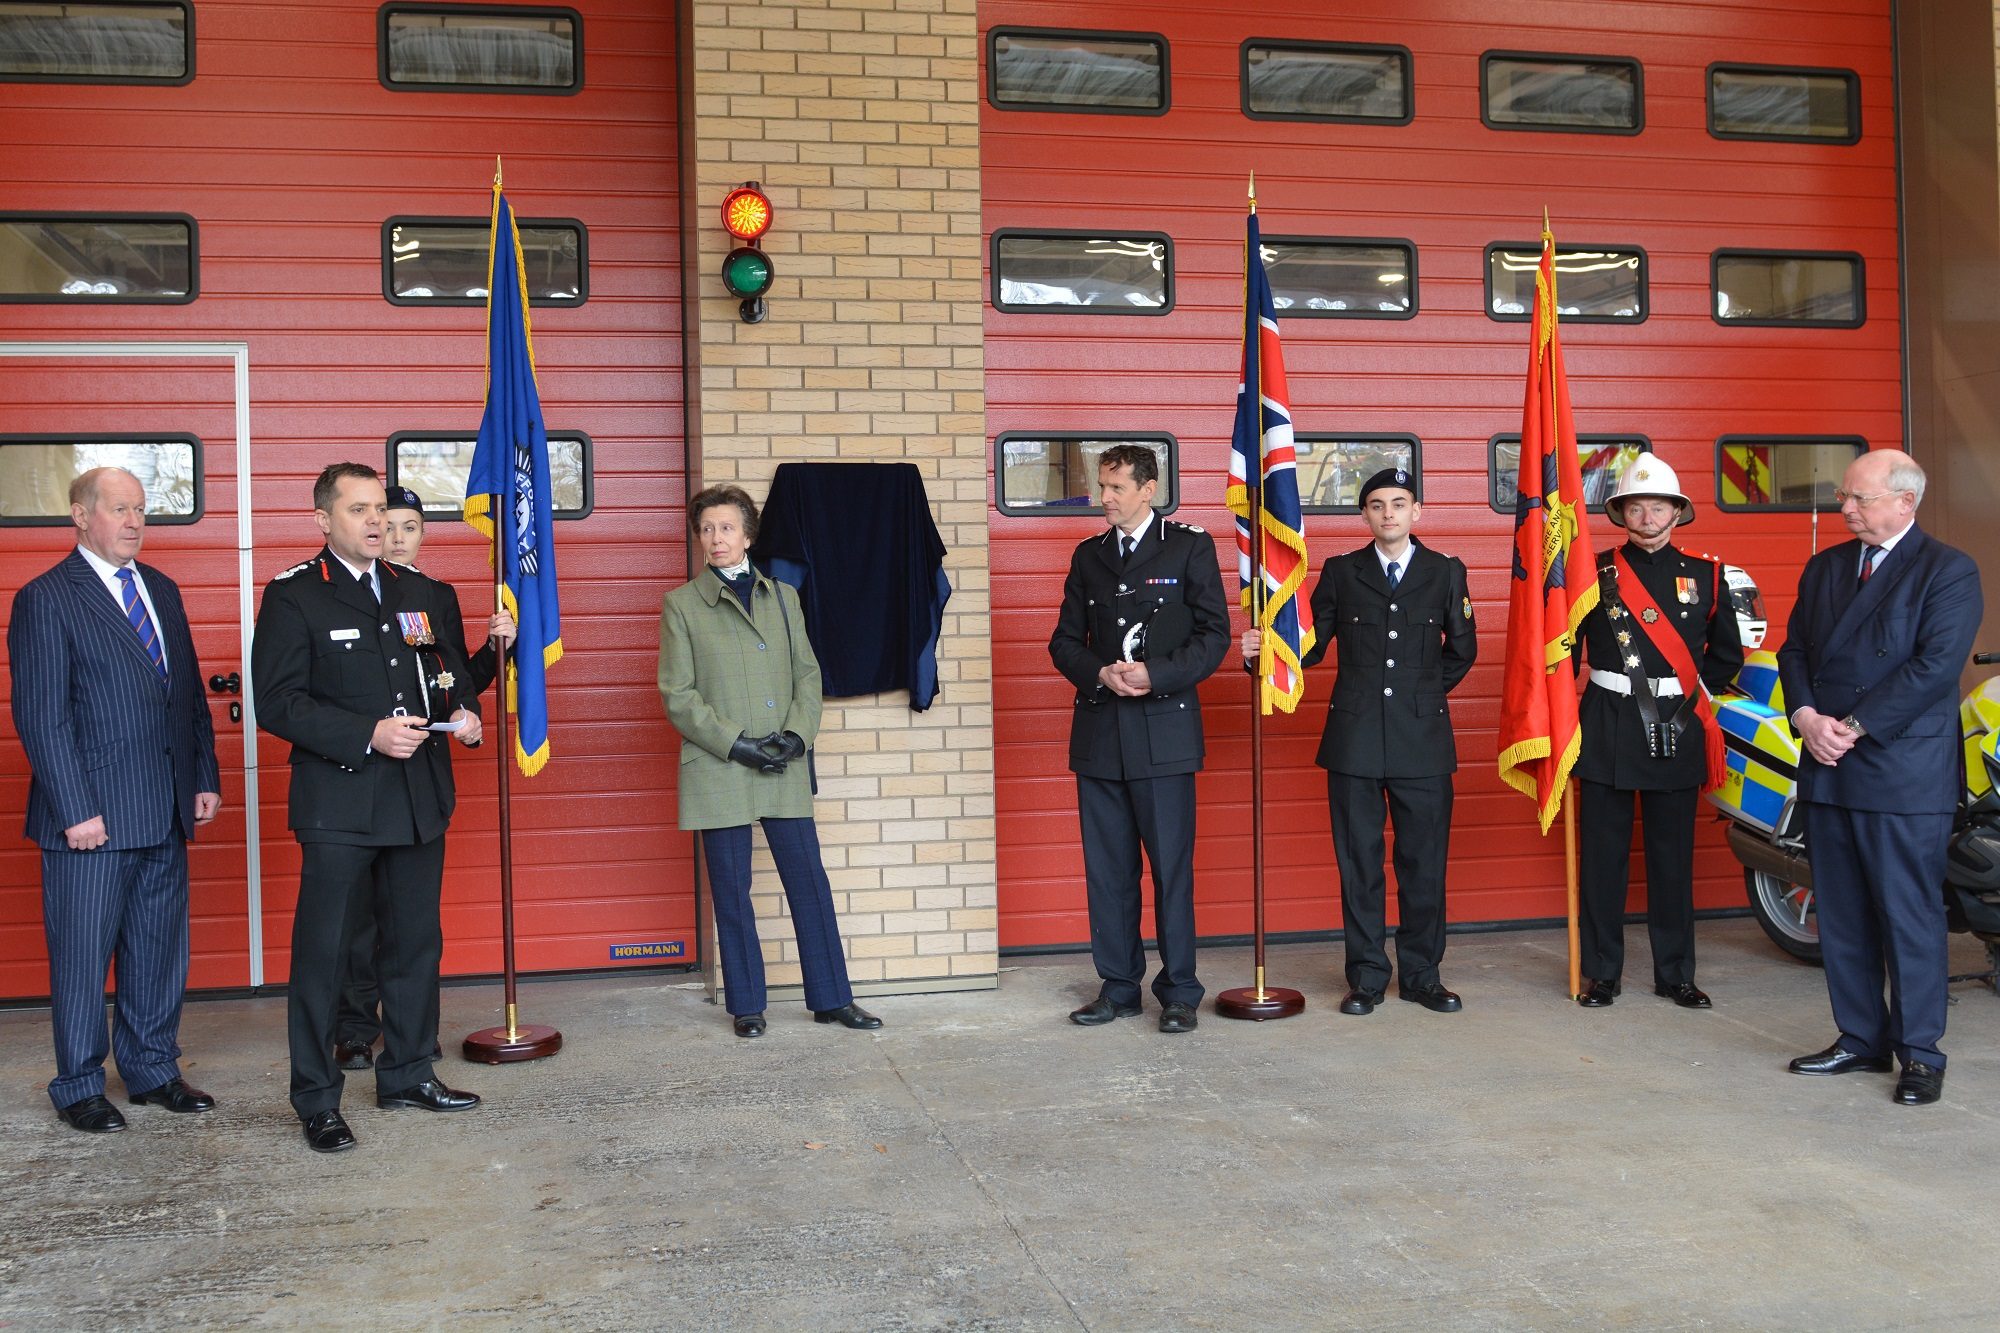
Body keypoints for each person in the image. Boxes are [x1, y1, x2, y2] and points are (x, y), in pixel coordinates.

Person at [252, 463, 485, 1153]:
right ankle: (318, 1098)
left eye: (379, 508)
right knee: (324, 956)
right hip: (340, 803)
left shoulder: (424, 592)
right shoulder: (296, 596)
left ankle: (409, 1072)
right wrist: (367, 733)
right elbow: (280, 701)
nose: (376, 521)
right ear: (324, 520)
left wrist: (465, 712)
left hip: (417, 801)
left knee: (414, 945)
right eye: (358, 510)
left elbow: (447, 677)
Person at [7, 467, 222, 1134]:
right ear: (79, 514)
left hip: (162, 809)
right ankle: (78, 1084)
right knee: (81, 954)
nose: (134, 521)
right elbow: (43, 716)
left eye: (140, 509)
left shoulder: (160, 588)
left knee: (158, 949)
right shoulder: (47, 598)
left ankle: (154, 1069)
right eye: (119, 508)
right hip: (91, 818)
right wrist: (74, 808)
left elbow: (185, 693)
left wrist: (204, 775)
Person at [1778, 449, 1982, 1106]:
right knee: (1841, 913)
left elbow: (1934, 667)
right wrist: (1808, 716)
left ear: (1904, 501)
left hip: (1900, 768)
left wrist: (1854, 725)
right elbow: (1796, 650)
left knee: (1908, 914)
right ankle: (1859, 1037)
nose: (1845, 509)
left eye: (1859, 499)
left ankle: (1920, 1051)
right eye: (1845, 497)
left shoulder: (1948, 570)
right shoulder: (1825, 567)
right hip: (1829, 762)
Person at [1244, 468, 1476, 1015]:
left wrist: (1416, 698)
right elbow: (1313, 644)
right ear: (1364, 516)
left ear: (1416, 511)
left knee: (1424, 864)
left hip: (1422, 741)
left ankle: (1422, 975)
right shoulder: (1342, 572)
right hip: (1355, 741)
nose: (1388, 513)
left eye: (1399, 503)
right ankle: (1367, 976)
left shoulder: (1445, 572)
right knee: (1359, 865)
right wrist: (1267, 651)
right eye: (1376, 505)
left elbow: (1462, 651)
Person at [656, 484, 881, 1038]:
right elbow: (678, 694)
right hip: (720, 763)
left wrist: (797, 738)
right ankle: (747, 1004)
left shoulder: (784, 596)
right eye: (706, 529)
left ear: (748, 535)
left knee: (809, 882)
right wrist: (736, 744)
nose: (716, 538)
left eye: (727, 527)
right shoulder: (682, 604)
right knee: (732, 892)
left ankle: (832, 998)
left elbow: (808, 674)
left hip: (781, 761)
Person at [332, 485, 514, 1072]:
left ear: (423, 535)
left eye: (411, 526)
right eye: (389, 523)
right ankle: (357, 1028)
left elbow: (452, 679)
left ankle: (413, 1034)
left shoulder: (432, 596)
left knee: (412, 924)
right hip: (359, 777)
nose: (398, 534)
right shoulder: (337, 592)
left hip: (420, 777)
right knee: (357, 921)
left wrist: (496, 649)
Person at [1048, 445, 1229, 1033]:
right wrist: (1098, 672)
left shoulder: (1188, 545)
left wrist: (1159, 674)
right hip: (1101, 735)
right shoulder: (1089, 556)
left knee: (1171, 869)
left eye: (1116, 488)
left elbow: (1213, 636)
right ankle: (1119, 986)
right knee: (1108, 871)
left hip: (1165, 734)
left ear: (1148, 489)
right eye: (1103, 487)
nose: (1104, 498)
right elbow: (1064, 641)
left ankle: (1179, 992)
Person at [1573, 457, 1743, 1010]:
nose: (1648, 516)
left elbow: (1725, 657)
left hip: (1675, 725)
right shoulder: (1591, 573)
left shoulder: (1708, 575)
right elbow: (1561, 651)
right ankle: (1602, 974)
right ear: (1622, 512)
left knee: (1672, 861)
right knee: (1603, 859)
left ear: (1676, 512)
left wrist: (1682, 697)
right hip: (1605, 723)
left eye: (1659, 506)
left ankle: (1675, 974)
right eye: (1636, 506)